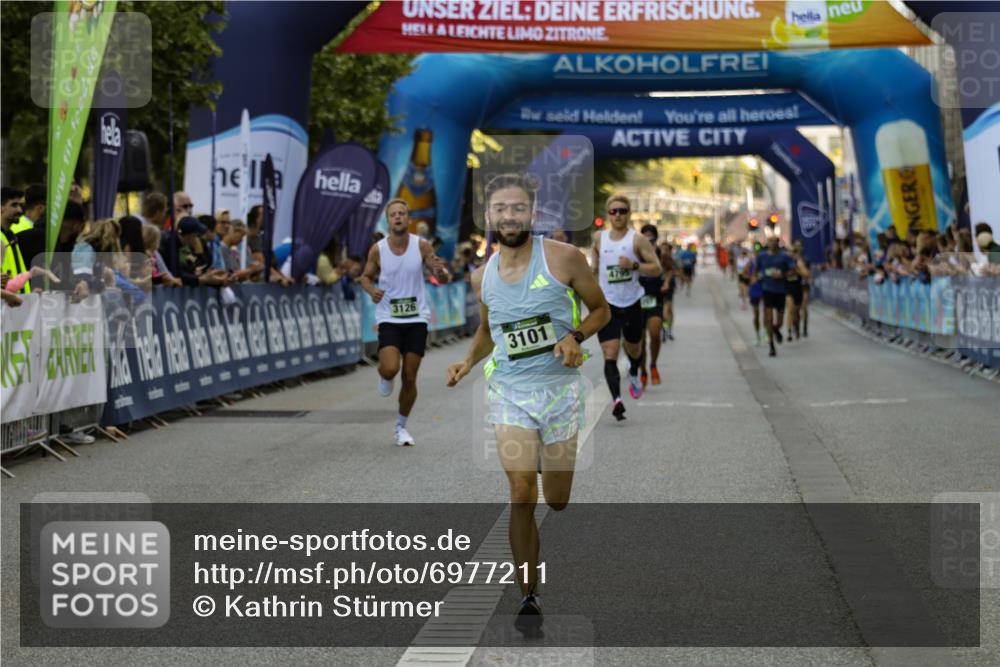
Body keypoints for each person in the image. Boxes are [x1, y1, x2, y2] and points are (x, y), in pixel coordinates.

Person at [445, 172, 610, 636]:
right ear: (489, 216)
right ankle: (529, 595)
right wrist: (467, 363)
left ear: (531, 214)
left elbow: (601, 309)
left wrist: (575, 336)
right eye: (501, 209)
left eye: (518, 208)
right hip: (510, 394)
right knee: (521, 492)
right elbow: (487, 331)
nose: (509, 216)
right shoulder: (483, 275)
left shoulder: (564, 259)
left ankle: (545, 461)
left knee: (555, 501)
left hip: (559, 393)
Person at [360, 199, 451, 447]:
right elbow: (365, 277)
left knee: (410, 377)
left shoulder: (421, 245)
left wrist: (440, 271)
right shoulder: (378, 249)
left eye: (402, 213)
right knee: (391, 368)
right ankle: (385, 375)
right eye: (393, 214)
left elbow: (441, 277)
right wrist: (371, 291)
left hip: (417, 318)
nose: (398, 217)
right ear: (388, 221)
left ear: (408, 219)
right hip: (389, 316)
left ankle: (401, 427)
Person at [591, 195, 661, 421]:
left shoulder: (638, 240)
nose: (618, 215)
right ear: (608, 214)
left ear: (629, 213)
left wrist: (634, 265)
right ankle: (617, 401)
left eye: (622, 211)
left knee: (634, 348)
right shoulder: (598, 239)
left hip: (632, 302)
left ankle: (633, 369)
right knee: (609, 352)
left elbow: (657, 269)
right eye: (613, 212)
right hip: (607, 304)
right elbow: (594, 269)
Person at [754, 236, 797, 357]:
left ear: (778, 243)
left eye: (774, 241)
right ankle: (771, 346)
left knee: (779, 321)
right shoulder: (762, 256)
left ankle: (776, 329)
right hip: (767, 290)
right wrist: (756, 278)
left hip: (780, 291)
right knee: (768, 318)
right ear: (767, 243)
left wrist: (782, 274)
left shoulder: (784, 256)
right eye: (770, 241)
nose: (772, 243)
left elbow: (793, 270)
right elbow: (756, 270)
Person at [637, 224, 665, 388]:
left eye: (652, 239)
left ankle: (653, 364)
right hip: (637, 300)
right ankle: (643, 372)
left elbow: (669, 269)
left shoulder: (661, 253)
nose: (649, 242)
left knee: (654, 333)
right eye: (645, 239)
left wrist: (667, 283)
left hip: (654, 298)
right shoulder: (634, 254)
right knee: (639, 342)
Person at [1, 187, 31, 294]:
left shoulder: (10, 237)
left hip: (15, 306)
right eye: (14, 205)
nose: (20, 210)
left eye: (20, 205)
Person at [784, 240, 811, 341]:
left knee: (798, 311)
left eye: (794, 251)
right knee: (790, 310)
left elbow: (807, 274)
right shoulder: (785, 261)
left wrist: (797, 270)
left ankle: (799, 326)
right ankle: (789, 332)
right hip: (789, 288)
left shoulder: (801, 261)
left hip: (800, 288)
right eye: (790, 251)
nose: (792, 253)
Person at [659, 241, 677, 340]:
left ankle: (669, 330)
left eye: (666, 249)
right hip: (658, 286)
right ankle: (664, 328)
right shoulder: (655, 258)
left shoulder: (670, 260)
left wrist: (667, 281)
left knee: (669, 309)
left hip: (669, 286)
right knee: (663, 309)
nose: (664, 251)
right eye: (662, 249)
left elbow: (673, 271)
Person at [736, 245, 752, 309]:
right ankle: (743, 302)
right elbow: (737, 268)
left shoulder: (748, 260)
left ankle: (745, 303)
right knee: (742, 291)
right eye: (742, 253)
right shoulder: (738, 259)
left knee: (745, 290)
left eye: (744, 253)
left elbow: (749, 268)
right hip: (740, 276)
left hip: (746, 276)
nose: (742, 255)